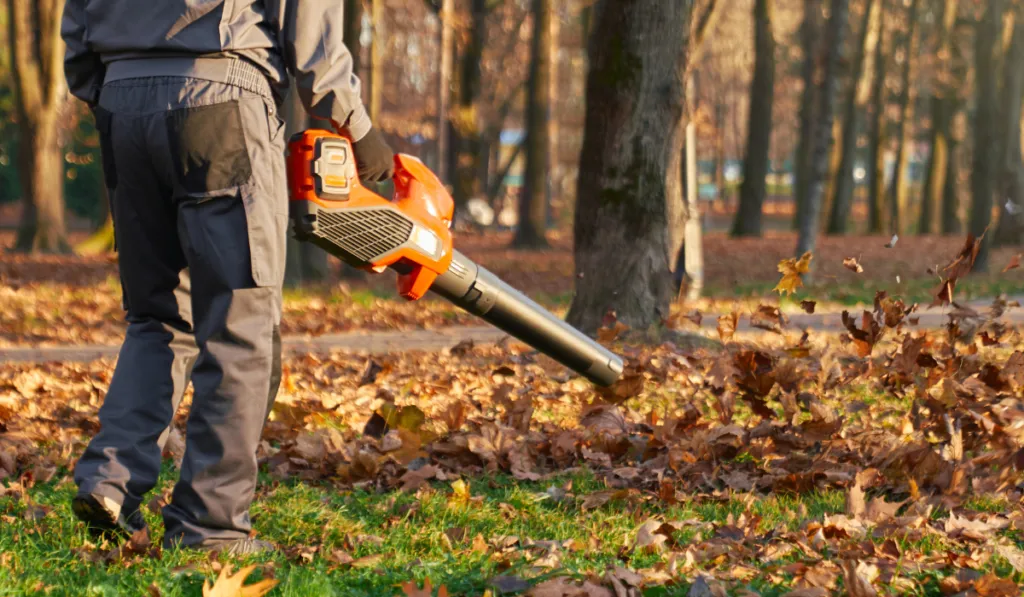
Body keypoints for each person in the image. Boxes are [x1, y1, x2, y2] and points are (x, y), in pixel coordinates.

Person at [61, 1, 395, 556]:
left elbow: (77, 25)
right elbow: (309, 28)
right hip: (220, 99)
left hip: (121, 101)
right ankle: (209, 528)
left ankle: (110, 480)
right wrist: (356, 125)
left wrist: (105, 86)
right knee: (241, 326)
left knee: (157, 315)